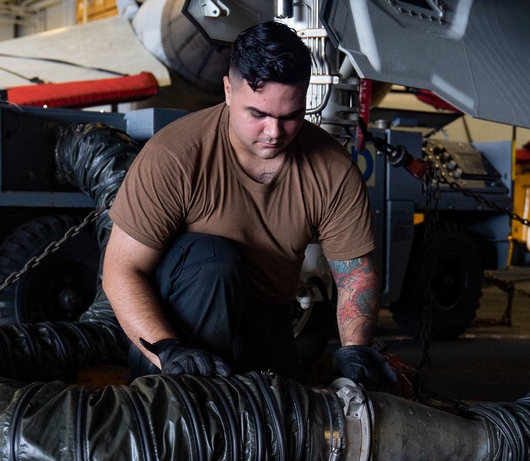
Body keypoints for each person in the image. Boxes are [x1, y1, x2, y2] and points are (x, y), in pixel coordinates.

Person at [103, 21, 390, 387]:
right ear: (227, 90)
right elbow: (121, 271)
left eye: (290, 116)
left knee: (292, 425)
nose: (274, 133)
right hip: (179, 329)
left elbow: (355, 275)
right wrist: (167, 349)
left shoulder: (332, 169)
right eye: (257, 114)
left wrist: (355, 351)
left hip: (267, 319)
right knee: (214, 260)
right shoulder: (174, 156)